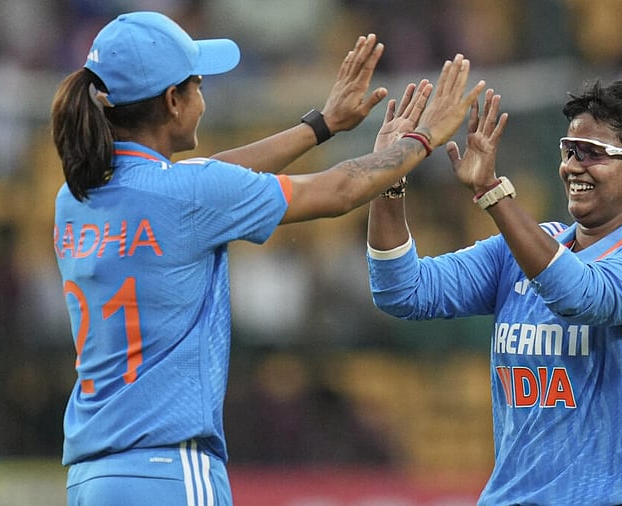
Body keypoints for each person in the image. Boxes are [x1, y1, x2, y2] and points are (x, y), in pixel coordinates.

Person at [50, 10, 485, 506]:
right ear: (173, 101)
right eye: (197, 85)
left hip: (92, 480)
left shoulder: (75, 199)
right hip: (169, 468)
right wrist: (420, 141)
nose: (202, 97)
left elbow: (208, 177)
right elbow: (339, 190)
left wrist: (320, 126)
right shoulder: (188, 195)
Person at [367, 75, 622, 505]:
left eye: (594, 154)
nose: (573, 166)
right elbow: (402, 290)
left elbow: (579, 294)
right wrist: (388, 178)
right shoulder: (519, 251)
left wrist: (491, 191)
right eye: (570, 150)